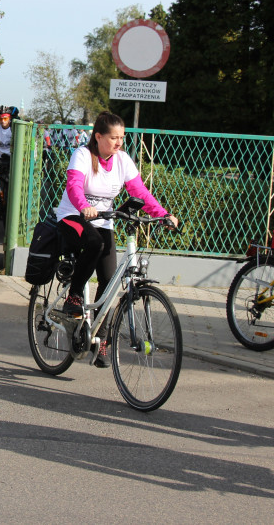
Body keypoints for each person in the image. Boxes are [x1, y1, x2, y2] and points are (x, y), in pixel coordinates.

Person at [53, 111, 178, 367]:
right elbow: (74, 185)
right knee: (94, 244)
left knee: (110, 281)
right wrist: (84, 205)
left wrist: (163, 215)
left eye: (122, 137)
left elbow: (139, 191)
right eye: (113, 138)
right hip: (74, 216)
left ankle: (101, 340)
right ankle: (74, 296)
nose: (119, 142)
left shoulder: (122, 160)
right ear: (98, 136)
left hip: (103, 220)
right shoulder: (83, 155)